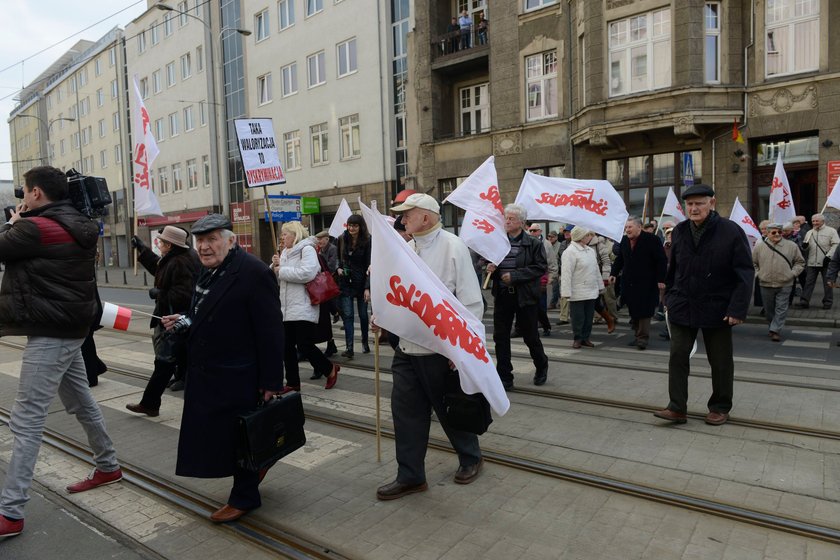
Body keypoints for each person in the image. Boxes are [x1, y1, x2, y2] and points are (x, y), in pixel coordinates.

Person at [0, 166, 122, 539]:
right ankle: (108, 465)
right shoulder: (78, 223)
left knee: (27, 418)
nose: (22, 196)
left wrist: (14, 222)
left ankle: (11, 512)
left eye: (24, 190)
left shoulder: (36, 228)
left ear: (36, 193)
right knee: (81, 401)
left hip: (51, 332)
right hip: (71, 329)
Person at [161, 214, 284, 523]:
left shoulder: (254, 273)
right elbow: (201, 311)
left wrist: (271, 380)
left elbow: (271, 332)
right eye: (200, 241)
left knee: (240, 437)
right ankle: (256, 469)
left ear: (231, 241)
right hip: (208, 372)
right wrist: (184, 321)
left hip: (239, 374)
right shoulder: (208, 272)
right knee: (218, 436)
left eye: (212, 239)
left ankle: (245, 497)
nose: (204, 247)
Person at [374, 193, 484, 500]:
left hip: (440, 349)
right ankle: (410, 475)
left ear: (425, 216)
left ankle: (471, 456)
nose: (402, 220)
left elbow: (471, 301)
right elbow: (400, 296)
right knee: (405, 413)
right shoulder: (407, 249)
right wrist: (382, 316)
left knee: (449, 408)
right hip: (407, 348)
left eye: (407, 214)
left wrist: (462, 350)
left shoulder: (453, 246)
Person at [653, 184, 753, 426]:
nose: (694, 208)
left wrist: (737, 308)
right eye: (690, 204)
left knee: (720, 361)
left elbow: (745, 272)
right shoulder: (679, 231)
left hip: (717, 308)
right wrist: (668, 298)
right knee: (677, 355)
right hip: (682, 305)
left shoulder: (730, 231)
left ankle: (720, 406)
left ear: (712, 203)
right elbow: (673, 268)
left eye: (699, 203)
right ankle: (677, 408)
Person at [125, 226, 200, 416]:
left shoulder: (182, 261)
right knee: (175, 359)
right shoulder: (175, 257)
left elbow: (185, 294)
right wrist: (143, 250)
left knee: (163, 362)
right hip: (171, 318)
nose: (158, 243)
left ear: (170, 245)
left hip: (174, 320)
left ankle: (149, 404)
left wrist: (161, 293)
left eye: (161, 241)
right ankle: (178, 381)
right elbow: (159, 267)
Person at [271, 222, 339, 392]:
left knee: (304, 345)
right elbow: (280, 275)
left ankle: (329, 369)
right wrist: (274, 266)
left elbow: (307, 273)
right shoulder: (285, 251)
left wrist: (282, 270)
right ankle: (293, 382)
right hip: (287, 308)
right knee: (286, 347)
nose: (282, 237)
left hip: (303, 306)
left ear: (295, 234)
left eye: (285, 234)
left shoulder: (306, 249)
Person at [487, 204, 549, 389]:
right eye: (506, 218)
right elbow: (489, 262)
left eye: (511, 218)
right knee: (501, 337)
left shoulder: (533, 243)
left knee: (530, 336)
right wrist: (490, 268)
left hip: (525, 296)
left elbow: (539, 268)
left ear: (521, 223)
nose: (506, 221)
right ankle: (505, 375)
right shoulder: (499, 242)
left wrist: (515, 276)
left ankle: (541, 365)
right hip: (503, 295)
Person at [610, 217, 667, 350]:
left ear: (639, 227)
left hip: (647, 282)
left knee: (645, 311)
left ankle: (642, 338)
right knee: (634, 310)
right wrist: (613, 273)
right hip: (629, 283)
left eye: (630, 227)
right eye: (626, 228)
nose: (627, 230)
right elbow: (620, 259)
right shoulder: (624, 240)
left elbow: (661, 260)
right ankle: (637, 336)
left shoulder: (652, 240)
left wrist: (661, 279)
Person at [752, 222, 805, 342]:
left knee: (781, 308)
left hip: (785, 283)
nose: (777, 234)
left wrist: (792, 274)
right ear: (768, 233)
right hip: (765, 283)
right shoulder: (760, 246)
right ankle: (772, 325)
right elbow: (753, 263)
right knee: (769, 309)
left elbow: (800, 262)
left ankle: (775, 330)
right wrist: (758, 274)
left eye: (779, 232)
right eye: (774, 232)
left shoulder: (791, 246)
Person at [561, 227, 603, 349]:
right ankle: (577, 338)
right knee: (578, 317)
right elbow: (566, 274)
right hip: (577, 291)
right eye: (588, 235)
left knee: (589, 317)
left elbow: (596, 270)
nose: (590, 237)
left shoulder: (590, 251)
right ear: (581, 237)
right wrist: (566, 292)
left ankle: (586, 338)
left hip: (591, 290)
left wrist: (600, 286)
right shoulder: (569, 252)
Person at [337, 214, 372, 358]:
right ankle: (349, 347)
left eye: (355, 226)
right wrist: (338, 267)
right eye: (349, 225)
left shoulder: (368, 241)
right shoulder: (341, 238)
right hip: (345, 282)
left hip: (361, 281)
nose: (351, 228)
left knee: (363, 315)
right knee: (348, 316)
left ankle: (365, 341)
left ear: (360, 227)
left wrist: (367, 287)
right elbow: (338, 257)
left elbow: (370, 264)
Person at [798, 213, 839, 310]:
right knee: (808, 282)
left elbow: (836, 245)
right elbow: (806, 248)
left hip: (826, 262)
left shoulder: (831, 231)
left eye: (817, 221)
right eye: (813, 221)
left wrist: (829, 256)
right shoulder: (809, 232)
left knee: (828, 283)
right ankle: (804, 301)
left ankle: (828, 302)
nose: (815, 223)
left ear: (822, 221)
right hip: (812, 262)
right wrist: (804, 247)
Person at [528, 223, 556, 336]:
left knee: (541, 306)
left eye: (535, 230)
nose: (532, 233)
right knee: (529, 306)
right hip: (528, 278)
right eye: (531, 230)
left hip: (540, 279)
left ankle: (545, 326)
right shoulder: (527, 242)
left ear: (540, 231)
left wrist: (550, 278)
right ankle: (531, 327)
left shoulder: (546, 244)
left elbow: (551, 262)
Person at [314, 230, 339, 357]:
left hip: (325, 283)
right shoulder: (318, 251)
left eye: (321, 239)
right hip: (321, 285)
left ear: (326, 239)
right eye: (317, 239)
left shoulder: (331, 249)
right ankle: (331, 344)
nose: (319, 241)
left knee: (324, 319)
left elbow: (330, 265)